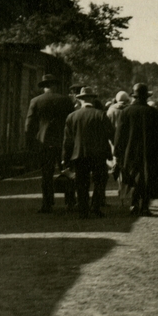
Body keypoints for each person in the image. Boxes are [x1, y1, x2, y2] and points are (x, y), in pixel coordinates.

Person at [113, 83, 158, 216]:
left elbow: (119, 135)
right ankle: (145, 206)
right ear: (146, 97)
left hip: (130, 152)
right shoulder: (154, 113)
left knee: (133, 177)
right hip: (150, 151)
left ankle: (134, 204)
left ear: (134, 96)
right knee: (148, 178)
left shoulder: (126, 112)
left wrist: (117, 153)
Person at [24, 74, 75, 214]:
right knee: (67, 171)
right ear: (55, 85)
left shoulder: (35, 101)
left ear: (43, 87)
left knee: (46, 174)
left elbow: (29, 125)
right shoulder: (65, 100)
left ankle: (47, 204)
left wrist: (31, 142)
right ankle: (70, 202)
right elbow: (72, 121)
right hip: (62, 142)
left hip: (44, 143)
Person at [62, 87, 115, 218]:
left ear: (80, 100)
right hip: (98, 154)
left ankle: (83, 209)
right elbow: (111, 134)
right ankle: (95, 207)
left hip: (79, 154)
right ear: (92, 99)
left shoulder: (72, 116)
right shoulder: (100, 115)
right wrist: (112, 153)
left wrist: (65, 159)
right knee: (99, 181)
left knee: (81, 182)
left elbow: (68, 141)